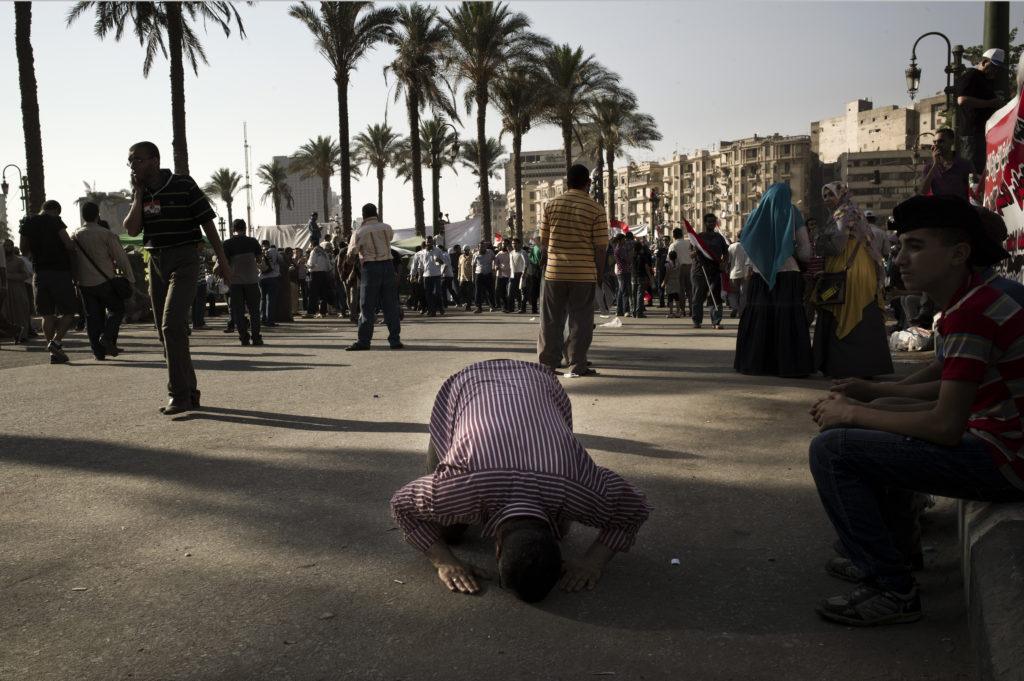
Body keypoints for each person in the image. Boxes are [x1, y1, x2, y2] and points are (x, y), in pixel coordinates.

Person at [808, 194, 1024, 626]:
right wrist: (872, 393)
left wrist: (852, 413)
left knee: (833, 450)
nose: (899, 258)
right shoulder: (982, 295)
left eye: (916, 247)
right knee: (881, 417)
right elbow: (949, 373)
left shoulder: (976, 311)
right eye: (901, 246)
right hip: (1001, 443)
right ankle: (900, 552)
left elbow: (944, 426)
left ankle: (891, 586)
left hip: (1007, 459)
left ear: (959, 253)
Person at [390, 359, 652, 601]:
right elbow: (402, 505)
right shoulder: (461, 485)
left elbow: (635, 509)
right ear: (497, 548)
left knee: (457, 522)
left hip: (539, 382)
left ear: (498, 548)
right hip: (470, 383)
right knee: (449, 534)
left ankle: (548, 514)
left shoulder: (577, 489)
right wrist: (444, 561)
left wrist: (593, 562)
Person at [123, 140, 233, 415]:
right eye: (130, 161)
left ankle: (179, 395)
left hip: (184, 259)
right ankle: (191, 392)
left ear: (154, 160)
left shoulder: (183, 184)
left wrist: (222, 259)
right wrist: (137, 195)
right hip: (156, 261)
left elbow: (207, 222)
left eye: (137, 159)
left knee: (172, 326)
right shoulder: (142, 192)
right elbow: (132, 229)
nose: (133, 165)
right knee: (167, 333)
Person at [813, 182, 892, 379]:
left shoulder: (843, 213)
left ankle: (845, 365)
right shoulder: (851, 212)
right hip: (859, 269)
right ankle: (865, 365)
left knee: (844, 309)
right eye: (824, 196)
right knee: (861, 311)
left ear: (841, 194)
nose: (827, 200)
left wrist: (819, 241)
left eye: (831, 195)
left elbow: (837, 246)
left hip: (848, 270)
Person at [537, 164, 609, 377]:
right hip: (583, 273)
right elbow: (601, 247)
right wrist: (599, 273)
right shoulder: (596, 209)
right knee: (581, 321)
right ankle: (577, 363)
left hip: (554, 273)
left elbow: (543, 240)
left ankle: (547, 364)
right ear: (588, 184)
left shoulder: (552, 205)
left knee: (551, 319)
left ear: (567, 183)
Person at [734, 183, 812, 377]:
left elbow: (747, 245)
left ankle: (756, 363)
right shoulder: (793, 212)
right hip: (788, 275)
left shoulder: (754, 215)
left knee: (759, 320)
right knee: (787, 321)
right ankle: (788, 366)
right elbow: (806, 252)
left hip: (760, 276)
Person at [72, 202, 135, 360]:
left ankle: (98, 352)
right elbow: (121, 257)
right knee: (117, 310)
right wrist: (130, 278)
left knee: (92, 318)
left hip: (85, 283)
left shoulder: (75, 235)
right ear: (97, 215)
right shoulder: (105, 233)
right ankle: (107, 337)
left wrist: (75, 281)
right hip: (105, 281)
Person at [19, 200, 78, 364]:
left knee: (47, 314)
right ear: (56, 211)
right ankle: (56, 342)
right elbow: (68, 244)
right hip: (59, 271)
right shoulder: (55, 221)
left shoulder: (28, 222)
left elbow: (23, 249)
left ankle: (52, 352)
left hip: (39, 273)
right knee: (69, 312)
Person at [345, 203, 402, 350]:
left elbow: (352, 254)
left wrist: (350, 261)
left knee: (367, 307)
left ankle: (364, 341)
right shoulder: (387, 227)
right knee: (390, 305)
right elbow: (388, 240)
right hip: (388, 266)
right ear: (376, 213)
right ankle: (394, 340)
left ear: (363, 215)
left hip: (371, 268)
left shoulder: (359, 232)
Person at [955, 47, 1006, 179]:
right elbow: (962, 100)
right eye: (993, 66)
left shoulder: (985, 80)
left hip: (981, 133)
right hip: (972, 133)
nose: (994, 70)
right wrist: (990, 103)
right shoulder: (972, 75)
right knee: (975, 172)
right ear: (983, 62)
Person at [222, 219, 263, 346]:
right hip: (251, 280)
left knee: (239, 311)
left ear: (232, 229)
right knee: (254, 311)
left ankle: (244, 338)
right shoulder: (253, 241)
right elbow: (259, 260)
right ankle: (256, 338)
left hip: (235, 282)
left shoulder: (227, 244)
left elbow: (225, 262)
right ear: (245, 228)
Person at [690, 214, 729, 330]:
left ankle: (716, 321)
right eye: (709, 222)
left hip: (715, 272)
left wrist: (724, 263)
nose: (711, 224)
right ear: (704, 223)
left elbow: (726, 253)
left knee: (716, 298)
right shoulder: (698, 237)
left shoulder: (719, 237)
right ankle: (697, 321)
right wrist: (695, 251)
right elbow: (691, 254)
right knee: (698, 298)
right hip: (699, 272)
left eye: (713, 222)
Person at [918, 127, 974, 199]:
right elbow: (923, 191)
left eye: (941, 141)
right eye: (934, 142)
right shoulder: (929, 168)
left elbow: (973, 188)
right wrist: (935, 164)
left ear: (951, 142)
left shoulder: (965, 165)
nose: (937, 145)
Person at [1, 238, 31, 342]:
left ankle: (23, 335)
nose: (7, 248)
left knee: (19, 313)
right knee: (6, 313)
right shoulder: (2, 261)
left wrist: (9, 276)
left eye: (9, 246)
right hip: (5, 290)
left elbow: (26, 274)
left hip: (17, 290)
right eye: (5, 246)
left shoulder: (19, 261)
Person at [410, 235, 446, 317]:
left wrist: (439, 260)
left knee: (437, 293)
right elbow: (420, 265)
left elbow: (443, 262)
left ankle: (440, 307)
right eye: (427, 242)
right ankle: (432, 311)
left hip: (436, 275)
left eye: (430, 241)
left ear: (433, 242)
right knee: (428, 295)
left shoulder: (438, 250)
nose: (429, 243)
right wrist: (415, 275)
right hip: (426, 276)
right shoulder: (422, 253)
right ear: (425, 243)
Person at [668, 227, 693, 316]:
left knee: (681, 290)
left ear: (674, 235)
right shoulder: (688, 244)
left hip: (679, 268)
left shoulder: (673, 245)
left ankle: (682, 309)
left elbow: (670, 259)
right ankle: (692, 309)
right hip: (690, 267)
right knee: (690, 290)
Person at [258, 240, 281, 327]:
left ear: (262, 245)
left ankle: (262, 319)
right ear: (269, 244)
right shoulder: (273, 251)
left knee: (262, 299)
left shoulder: (260, 251)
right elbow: (281, 259)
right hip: (272, 277)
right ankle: (270, 320)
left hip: (261, 278)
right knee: (270, 300)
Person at [727, 230, 748, 318]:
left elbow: (728, 261)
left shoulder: (732, 246)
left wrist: (727, 271)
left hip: (733, 273)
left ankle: (734, 307)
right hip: (745, 273)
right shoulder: (748, 246)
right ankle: (742, 312)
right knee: (743, 294)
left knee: (733, 293)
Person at [471, 241, 495, 313]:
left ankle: (491, 306)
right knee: (478, 291)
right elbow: (473, 266)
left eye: (484, 246)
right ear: (478, 248)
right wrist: (472, 277)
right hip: (479, 274)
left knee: (490, 291)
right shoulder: (475, 255)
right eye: (481, 247)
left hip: (488, 274)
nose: (482, 248)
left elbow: (494, 259)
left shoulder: (490, 252)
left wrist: (494, 269)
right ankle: (478, 307)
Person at [613, 234, 632, 317]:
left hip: (623, 272)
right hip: (623, 272)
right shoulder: (619, 249)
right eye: (623, 240)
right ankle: (626, 310)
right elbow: (627, 260)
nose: (625, 241)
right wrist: (632, 254)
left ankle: (619, 310)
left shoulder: (621, 249)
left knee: (621, 292)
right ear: (619, 240)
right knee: (625, 292)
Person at [663, 250, 682, 318]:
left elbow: (667, 274)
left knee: (670, 297)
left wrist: (663, 282)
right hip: (677, 281)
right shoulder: (678, 264)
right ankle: (678, 312)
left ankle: (671, 312)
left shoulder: (668, 265)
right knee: (677, 297)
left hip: (670, 282)